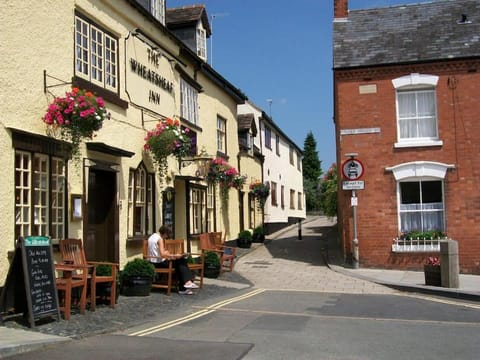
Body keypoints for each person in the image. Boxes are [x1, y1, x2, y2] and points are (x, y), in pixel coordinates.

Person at [147, 225, 199, 295]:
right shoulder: (160, 239)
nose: (166, 237)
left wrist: (167, 254)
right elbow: (162, 254)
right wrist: (175, 255)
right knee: (181, 261)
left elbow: (156, 251)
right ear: (165, 233)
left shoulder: (152, 237)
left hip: (152, 262)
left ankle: (184, 287)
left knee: (179, 265)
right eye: (167, 236)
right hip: (159, 262)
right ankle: (185, 284)